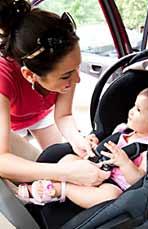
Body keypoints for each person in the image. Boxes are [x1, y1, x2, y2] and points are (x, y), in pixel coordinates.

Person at [0, 0, 109, 186]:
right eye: (66, 75)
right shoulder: (3, 77)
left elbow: (64, 115)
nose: (77, 79)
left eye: (77, 68)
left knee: (51, 156)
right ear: (29, 74)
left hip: (40, 116)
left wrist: (77, 140)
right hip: (8, 123)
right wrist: (65, 173)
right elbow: (2, 160)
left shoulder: (67, 68)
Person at [16, 86, 148, 208]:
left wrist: (125, 163)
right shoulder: (122, 129)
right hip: (93, 167)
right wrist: (93, 141)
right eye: (134, 105)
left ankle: (60, 190)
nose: (131, 111)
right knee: (68, 158)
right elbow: (104, 144)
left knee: (111, 196)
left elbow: (139, 179)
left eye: (138, 110)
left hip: (113, 184)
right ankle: (48, 181)